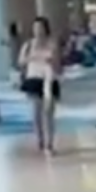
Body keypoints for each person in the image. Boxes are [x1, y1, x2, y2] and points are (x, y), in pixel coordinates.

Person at [18, 16, 61, 154]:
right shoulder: (28, 45)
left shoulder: (52, 44)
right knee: (36, 112)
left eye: (40, 28)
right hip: (34, 78)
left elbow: (58, 65)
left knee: (48, 112)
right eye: (35, 28)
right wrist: (31, 58)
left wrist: (52, 61)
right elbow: (20, 62)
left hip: (49, 79)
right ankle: (40, 140)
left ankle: (50, 143)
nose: (38, 31)